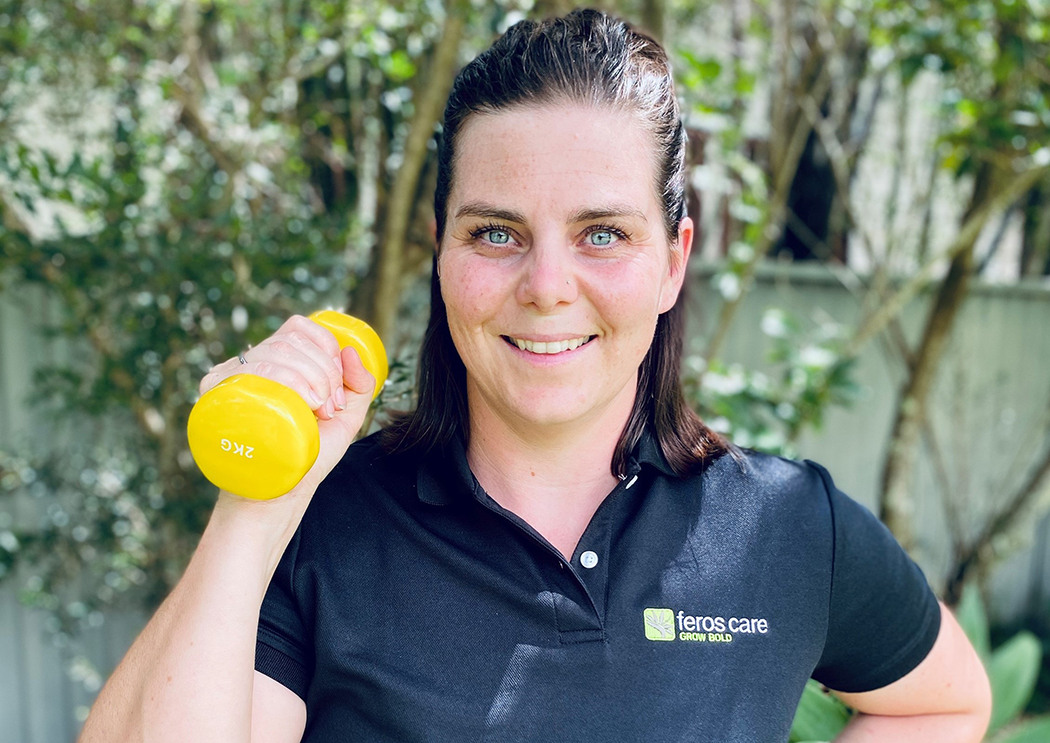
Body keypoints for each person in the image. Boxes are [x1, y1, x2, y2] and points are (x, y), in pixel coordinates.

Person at [79, 9, 991, 743]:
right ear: (441, 254)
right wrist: (261, 499)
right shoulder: (326, 529)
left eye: (603, 233)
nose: (547, 287)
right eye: (497, 232)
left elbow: (951, 701)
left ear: (673, 261)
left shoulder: (790, 528)